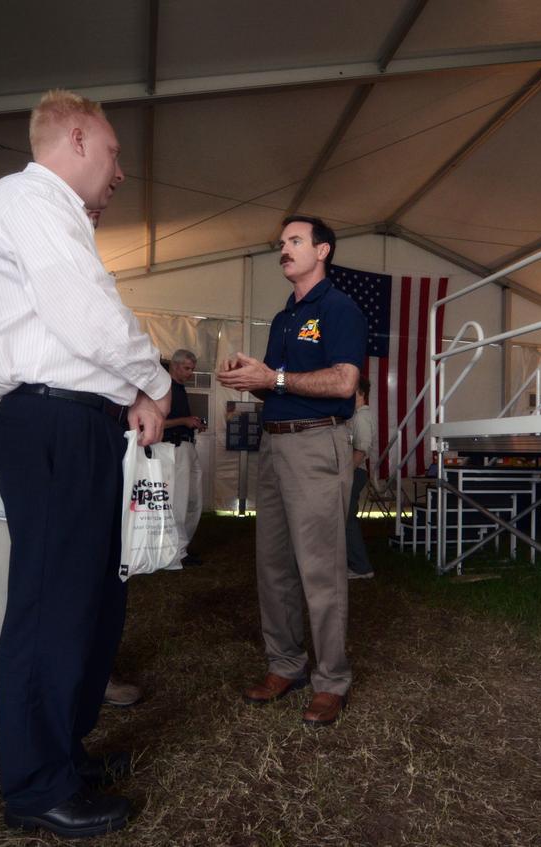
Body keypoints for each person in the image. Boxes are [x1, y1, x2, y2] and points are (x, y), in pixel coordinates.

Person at [0, 89, 172, 838]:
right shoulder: (27, 198)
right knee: (51, 601)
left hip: (76, 417)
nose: (120, 171)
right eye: (114, 153)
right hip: (50, 418)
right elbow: (84, 314)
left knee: (87, 598)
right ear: (78, 137)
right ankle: (34, 785)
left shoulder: (52, 213)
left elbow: (83, 327)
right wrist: (155, 378)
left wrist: (131, 392)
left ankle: (60, 752)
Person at [0, 222, 143, 746]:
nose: (117, 179)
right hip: (33, 422)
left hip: (85, 430)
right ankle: (1, 699)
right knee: (12, 565)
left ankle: (76, 680)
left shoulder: (76, 253)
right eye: (110, 160)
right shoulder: (10, 225)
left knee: (78, 567)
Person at [216, 215, 365, 728]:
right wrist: (250, 379)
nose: (284, 249)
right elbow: (281, 385)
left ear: (322, 250)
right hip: (274, 446)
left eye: (295, 241)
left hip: (317, 444)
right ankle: (286, 664)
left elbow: (344, 382)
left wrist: (274, 375)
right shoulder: (284, 318)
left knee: (320, 570)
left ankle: (331, 680)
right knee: (272, 565)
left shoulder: (339, 308)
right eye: (281, 242)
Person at [162, 348, 205, 567]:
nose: (190, 373)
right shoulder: (164, 387)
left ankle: (181, 548)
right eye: (187, 368)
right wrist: (183, 421)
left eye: (192, 369)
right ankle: (174, 553)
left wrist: (191, 423)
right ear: (175, 365)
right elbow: (156, 423)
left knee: (193, 500)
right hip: (173, 448)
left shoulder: (179, 388)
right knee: (178, 501)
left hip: (187, 445)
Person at [346, 377, 376, 579]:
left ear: (361, 393)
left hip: (355, 472)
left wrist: (345, 472)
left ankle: (361, 567)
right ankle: (356, 564)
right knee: (346, 518)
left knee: (348, 519)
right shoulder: (356, 415)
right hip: (355, 472)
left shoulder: (362, 417)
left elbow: (361, 449)